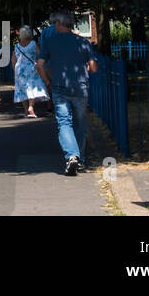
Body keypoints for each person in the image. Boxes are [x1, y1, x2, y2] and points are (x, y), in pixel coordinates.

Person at [37, 10, 98, 176]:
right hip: (80, 87)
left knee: (64, 123)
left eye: (55, 23)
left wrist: (48, 82)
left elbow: (40, 64)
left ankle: (72, 156)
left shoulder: (50, 41)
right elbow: (93, 68)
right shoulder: (83, 42)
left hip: (59, 87)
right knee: (79, 123)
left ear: (59, 23)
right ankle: (81, 160)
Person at [12, 26, 49, 117]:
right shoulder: (33, 44)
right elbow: (40, 55)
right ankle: (31, 107)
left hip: (19, 68)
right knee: (32, 86)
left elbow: (13, 59)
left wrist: (14, 71)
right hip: (31, 68)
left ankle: (25, 111)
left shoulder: (17, 46)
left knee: (22, 89)